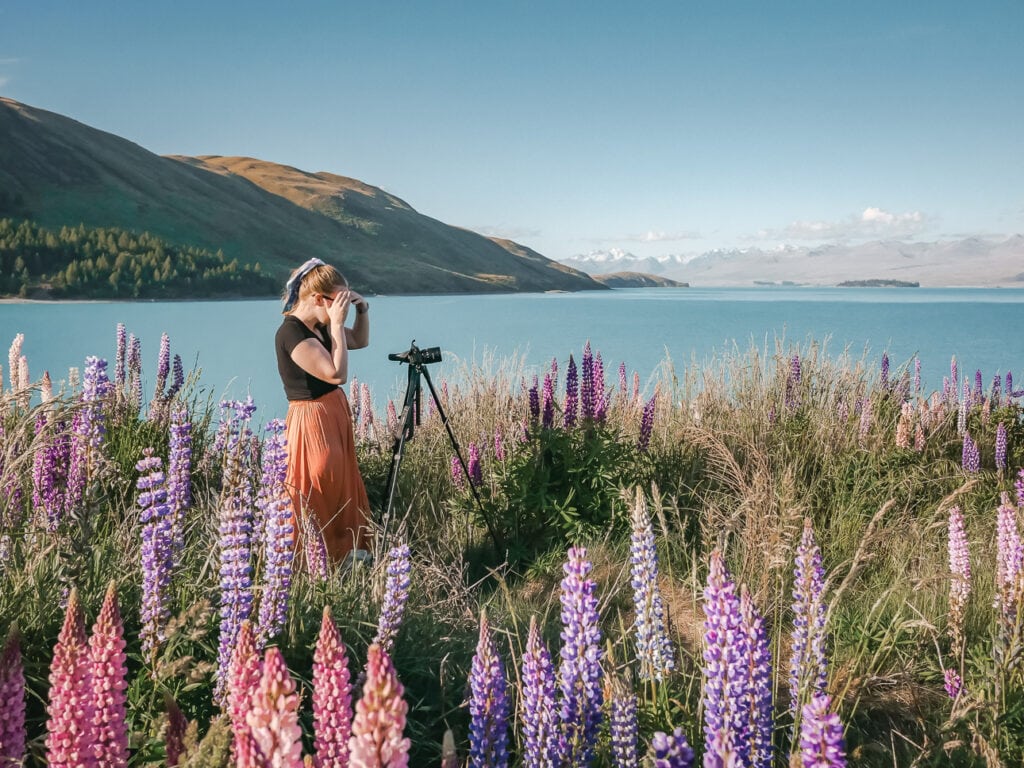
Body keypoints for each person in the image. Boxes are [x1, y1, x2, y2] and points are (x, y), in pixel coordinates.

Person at [275, 257, 372, 564]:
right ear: (318, 298)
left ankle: (349, 561)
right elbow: (336, 374)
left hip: (332, 414)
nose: (341, 306)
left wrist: (361, 310)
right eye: (338, 299)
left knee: (343, 486)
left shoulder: (317, 326)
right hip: (313, 420)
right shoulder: (291, 332)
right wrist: (339, 324)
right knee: (317, 487)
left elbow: (360, 341)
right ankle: (314, 564)